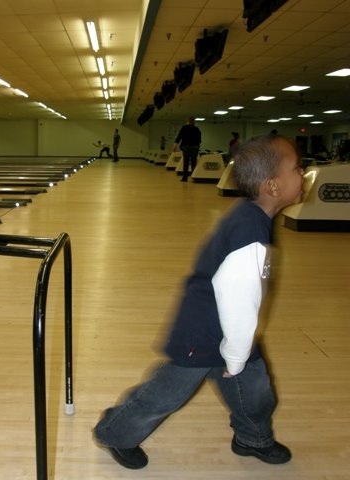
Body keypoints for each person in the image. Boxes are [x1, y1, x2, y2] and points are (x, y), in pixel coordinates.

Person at [93, 134, 304, 470]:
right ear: (273, 186)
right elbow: (237, 299)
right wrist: (236, 356)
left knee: (257, 391)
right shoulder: (249, 233)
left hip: (231, 329)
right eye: (297, 169)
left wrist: (239, 350)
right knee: (168, 392)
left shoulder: (253, 217)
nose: (303, 174)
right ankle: (115, 433)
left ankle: (253, 438)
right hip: (205, 330)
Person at [173, 117, 201, 181]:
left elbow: (179, 137)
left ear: (188, 121)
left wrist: (175, 147)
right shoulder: (197, 129)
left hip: (186, 147)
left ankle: (185, 178)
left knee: (186, 162)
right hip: (195, 147)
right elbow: (199, 140)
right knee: (194, 162)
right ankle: (194, 177)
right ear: (194, 122)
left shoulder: (184, 128)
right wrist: (197, 146)